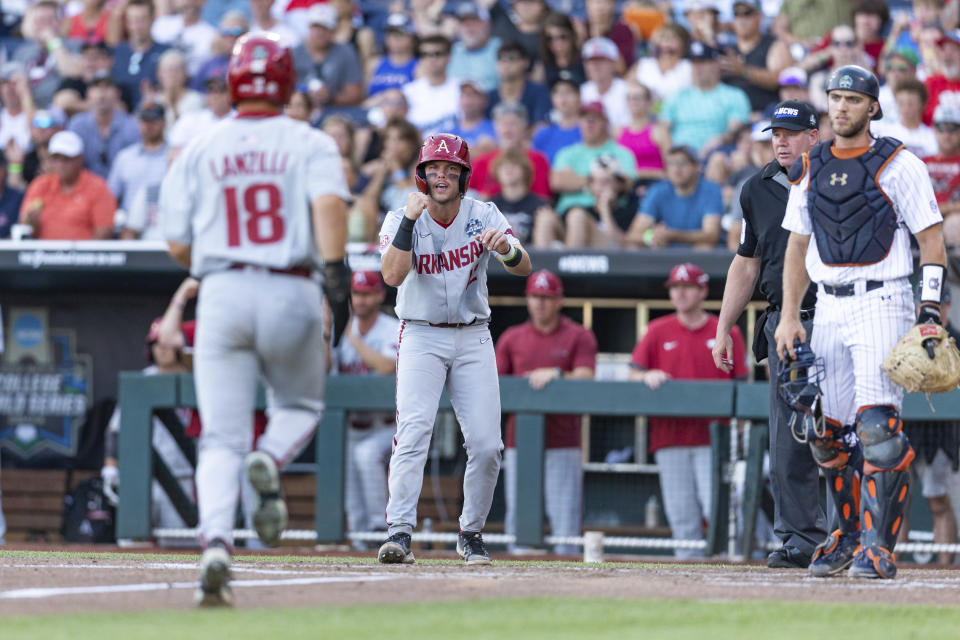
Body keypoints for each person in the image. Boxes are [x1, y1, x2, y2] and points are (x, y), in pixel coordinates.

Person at [160, 33, 351, 606]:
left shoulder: (200, 143)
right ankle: (268, 459)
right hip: (291, 285)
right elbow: (329, 209)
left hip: (221, 290)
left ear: (234, 81)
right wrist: (336, 276)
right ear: (288, 83)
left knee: (219, 436)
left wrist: (216, 266)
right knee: (299, 407)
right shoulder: (310, 141)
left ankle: (216, 542)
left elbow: (174, 243)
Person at [774, 65, 947, 580]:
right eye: (835, 98)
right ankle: (845, 534)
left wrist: (930, 310)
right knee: (825, 431)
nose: (842, 107)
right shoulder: (811, 164)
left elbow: (931, 240)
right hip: (827, 303)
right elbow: (796, 246)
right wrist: (788, 315)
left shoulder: (899, 163)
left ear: (873, 106)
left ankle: (879, 545)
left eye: (853, 99)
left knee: (878, 429)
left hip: (883, 298)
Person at [376, 133, 532, 566]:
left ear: (464, 177)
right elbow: (391, 276)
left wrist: (506, 249)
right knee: (414, 431)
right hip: (422, 332)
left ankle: (472, 533)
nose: (441, 177)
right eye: (434, 170)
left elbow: (524, 266)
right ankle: (400, 533)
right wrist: (409, 221)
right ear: (421, 176)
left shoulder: (483, 214)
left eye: (450, 171)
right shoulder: (399, 217)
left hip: (472, 333)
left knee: (486, 443)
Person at [712, 100, 826, 569]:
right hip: (785, 321)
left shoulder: (840, 177)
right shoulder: (755, 189)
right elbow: (747, 260)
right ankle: (801, 539)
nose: (780, 140)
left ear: (813, 136)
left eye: (791, 132)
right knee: (789, 439)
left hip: (841, 312)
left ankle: (859, 534)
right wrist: (723, 328)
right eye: (775, 132)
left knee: (850, 433)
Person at [630, 263, 749, 558]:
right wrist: (646, 376)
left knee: (720, 509)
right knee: (681, 512)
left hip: (716, 439)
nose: (680, 293)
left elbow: (743, 385)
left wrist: (740, 435)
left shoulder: (726, 330)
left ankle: (732, 567)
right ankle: (688, 577)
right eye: (675, 288)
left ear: (702, 291)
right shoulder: (658, 330)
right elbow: (633, 372)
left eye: (687, 287)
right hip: (670, 437)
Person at [496, 269, 597, 555]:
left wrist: (556, 374)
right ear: (527, 299)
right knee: (519, 512)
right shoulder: (512, 337)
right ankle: (517, 576)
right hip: (520, 441)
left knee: (564, 516)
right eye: (535, 296)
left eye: (546, 297)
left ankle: (568, 580)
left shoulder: (578, 335)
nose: (540, 303)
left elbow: (587, 376)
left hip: (563, 440)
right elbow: (492, 384)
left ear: (558, 300)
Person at [332, 271, 400, 545]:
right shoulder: (341, 330)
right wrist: (328, 334)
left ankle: (377, 528)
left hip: (387, 426)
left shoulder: (391, 327)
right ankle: (362, 543)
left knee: (366, 454)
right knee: (351, 499)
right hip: (353, 425)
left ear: (379, 295)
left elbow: (386, 367)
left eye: (367, 293)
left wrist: (351, 335)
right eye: (357, 293)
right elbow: (327, 372)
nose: (360, 300)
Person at [899, 281, 960, 565]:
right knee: (897, 501)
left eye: (936, 307)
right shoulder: (905, 341)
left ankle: (945, 568)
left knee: (938, 499)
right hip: (905, 429)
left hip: (940, 432)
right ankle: (890, 562)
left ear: (946, 305)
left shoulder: (955, 341)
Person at [18, 130, 116, 240]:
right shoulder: (40, 185)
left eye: (66, 159)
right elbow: (25, 228)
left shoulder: (98, 187)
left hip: (84, 255)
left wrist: (83, 255)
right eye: (56, 158)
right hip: (42, 254)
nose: (60, 164)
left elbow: (104, 232)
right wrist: (31, 221)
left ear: (80, 159)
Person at [658, 41, 751, 154]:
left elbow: (736, 130)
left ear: (717, 64)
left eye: (703, 62)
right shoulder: (676, 97)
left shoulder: (734, 95)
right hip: (680, 159)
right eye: (694, 63)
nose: (697, 68)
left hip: (715, 154)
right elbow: (662, 129)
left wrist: (721, 140)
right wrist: (672, 155)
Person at [626, 145, 723, 249]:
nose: (676, 169)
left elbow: (711, 235)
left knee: (704, 246)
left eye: (683, 163)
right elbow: (633, 235)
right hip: (665, 250)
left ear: (697, 167)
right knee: (633, 246)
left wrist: (673, 235)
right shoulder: (657, 190)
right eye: (671, 164)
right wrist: (652, 237)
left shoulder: (711, 190)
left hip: (694, 252)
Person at [108, 102, 168, 218]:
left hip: (162, 222)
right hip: (128, 224)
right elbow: (112, 194)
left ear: (163, 122)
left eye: (153, 121)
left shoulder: (174, 156)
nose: (148, 126)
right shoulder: (125, 157)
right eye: (144, 121)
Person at [925, 104, 960, 239]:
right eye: (941, 127)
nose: (946, 134)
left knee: (954, 224)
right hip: (923, 219)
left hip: (952, 220)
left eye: (952, 128)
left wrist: (944, 208)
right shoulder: (921, 162)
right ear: (934, 129)